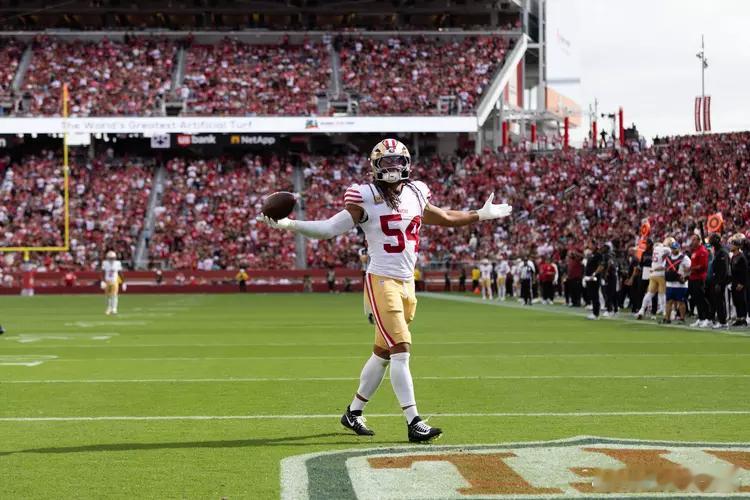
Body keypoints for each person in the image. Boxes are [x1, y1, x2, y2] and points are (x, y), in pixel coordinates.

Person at [259, 138, 512, 442]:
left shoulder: (416, 192)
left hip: (407, 283)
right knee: (401, 350)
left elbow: (445, 217)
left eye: (397, 161)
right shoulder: (364, 195)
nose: (392, 167)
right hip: (381, 281)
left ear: (407, 164)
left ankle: (353, 412)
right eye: (386, 162)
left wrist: (480, 214)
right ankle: (414, 421)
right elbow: (329, 229)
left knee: (382, 354)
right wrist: (290, 225)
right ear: (375, 166)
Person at [636, 239, 669, 320]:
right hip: (660, 274)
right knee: (662, 294)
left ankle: (641, 310)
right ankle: (665, 312)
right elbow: (669, 251)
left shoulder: (654, 251)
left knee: (649, 294)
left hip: (652, 274)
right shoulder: (663, 250)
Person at [663, 241, 691, 324]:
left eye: (675, 248)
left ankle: (682, 319)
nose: (673, 250)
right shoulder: (668, 258)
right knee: (669, 301)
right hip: (670, 284)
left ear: (679, 248)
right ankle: (667, 318)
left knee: (681, 302)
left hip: (680, 284)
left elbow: (690, 269)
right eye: (672, 248)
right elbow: (665, 267)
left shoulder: (684, 258)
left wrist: (685, 277)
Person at [708, 233, 730, 329]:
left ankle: (723, 322)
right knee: (717, 301)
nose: (710, 241)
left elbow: (724, 270)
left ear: (717, 240)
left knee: (721, 301)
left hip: (721, 281)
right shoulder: (717, 251)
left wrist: (719, 283)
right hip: (716, 280)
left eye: (712, 239)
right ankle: (720, 320)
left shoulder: (722, 252)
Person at [688, 234, 710, 327]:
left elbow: (703, 266)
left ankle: (707, 318)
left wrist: (691, 269)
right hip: (693, 278)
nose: (692, 241)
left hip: (699, 278)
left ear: (698, 241)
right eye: (691, 239)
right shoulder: (695, 251)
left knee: (701, 299)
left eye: (694, 240)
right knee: (696, 299)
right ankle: (701, 318)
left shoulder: (702, 251)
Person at [729, 235, 747, 327]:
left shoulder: (741, 257)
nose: (730, 246)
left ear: (737, 246)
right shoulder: (733, 257)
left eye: (732, 245)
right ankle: (739, 318)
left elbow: (745, 271)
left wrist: (742, 283)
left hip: (740, 282)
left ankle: (743, 318)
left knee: (741, 300)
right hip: (734, 282)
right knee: (736, 301)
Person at [583, 244, 603, 320]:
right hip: (589, 278)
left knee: (595, 295)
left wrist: (594, 274)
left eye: (592, 245)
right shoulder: (591, 255)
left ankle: (596, 314)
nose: (590, 247)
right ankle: (594, 312)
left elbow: (601, 266)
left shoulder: (598, 255)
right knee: (591, 294)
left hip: (594, 277)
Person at [101, 250, 123, 315]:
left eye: (112, 258)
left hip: (114, 281)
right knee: (108, 296)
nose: (111, 259)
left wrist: (123, 281)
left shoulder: (118, 263)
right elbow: (103, 272)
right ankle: (109, 308)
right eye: (110, 258)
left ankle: (114, 309)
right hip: (107, 281)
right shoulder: (105, 263)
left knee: (114, 295)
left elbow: (120, 273)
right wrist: (102, 281)